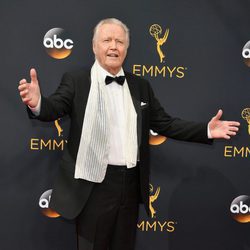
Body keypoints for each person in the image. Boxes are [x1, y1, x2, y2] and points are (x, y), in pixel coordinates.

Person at [18, 18, 240, 250]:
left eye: (119, 41)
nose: (113, 46)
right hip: (93, 185)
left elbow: (165, 123)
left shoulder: (140, 85)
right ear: (95, 47)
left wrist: (207, 129)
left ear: (126, 48)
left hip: (130, 185)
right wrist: (38, 104)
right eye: (107, 40)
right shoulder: (76, 81)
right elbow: (54, 107)